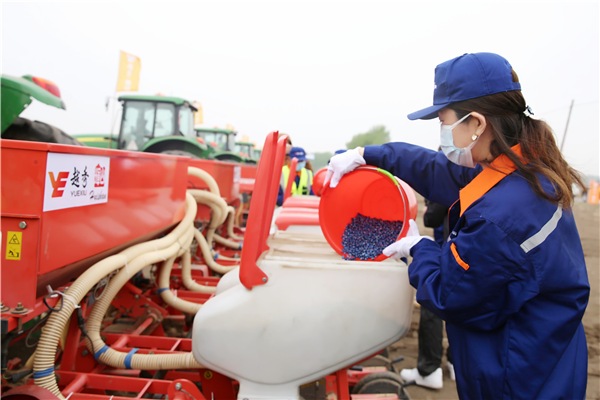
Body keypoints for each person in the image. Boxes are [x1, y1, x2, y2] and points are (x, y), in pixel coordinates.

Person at [325, 52, 589, 400]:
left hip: (518, 379)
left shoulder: (502, 216)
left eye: (443, 121)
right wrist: (369, 154)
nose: (442, 131)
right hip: (547, 357)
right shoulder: (520, 169)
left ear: (477, 123)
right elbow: (436, 170)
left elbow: (449, 294)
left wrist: (416, 247)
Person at [400, 195, 453, 389]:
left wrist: (429, 211)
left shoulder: (459, 172)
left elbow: (433, 216)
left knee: (432, 300)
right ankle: (454, 362)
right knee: (464, 304)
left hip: (446, 245)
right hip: (470, 245)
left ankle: (429, 369)